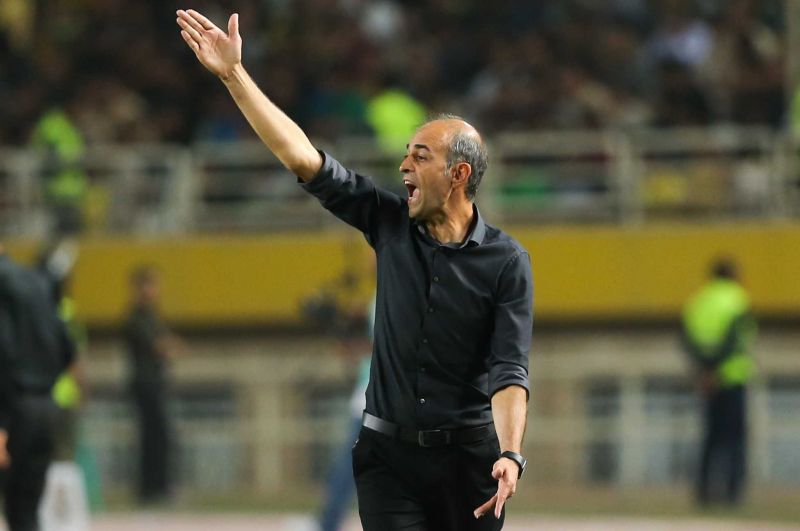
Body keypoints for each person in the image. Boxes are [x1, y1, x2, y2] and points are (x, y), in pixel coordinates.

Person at [176, 9, 533, 530]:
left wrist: (511, 452)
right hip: (387, 460)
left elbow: (509, 369)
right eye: (407, 155)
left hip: (468, 462)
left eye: (420, 156)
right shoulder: (388, 222)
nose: (404, 166)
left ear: (458, 174)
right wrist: (234, 75)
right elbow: (304, 158)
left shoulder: (506, 261)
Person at [0, 244, 76, 531]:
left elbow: (3, 353)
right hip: (45, 406)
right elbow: (67, 347)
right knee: (26, 512)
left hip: (12, 408)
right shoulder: (37, 281)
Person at [682, 258, 757, 507]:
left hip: (706, 380)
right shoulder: (737, 299)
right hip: (731, 377)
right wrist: (717, 370)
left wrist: (705, 370)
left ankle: (704, 493)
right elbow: (736, 340)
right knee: (735, 438)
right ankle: (733, 494)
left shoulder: (699, 301)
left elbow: (687, 338)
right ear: (733, 275)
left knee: (710, 437)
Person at [125, 266, 181, 505]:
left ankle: (160, 486)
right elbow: (158, 346)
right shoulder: (137, 317)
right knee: (151, 437)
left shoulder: (152, 315)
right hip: (145, 383)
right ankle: (150, 489)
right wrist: (167, 346)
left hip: (155, 382)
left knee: (160, 437)